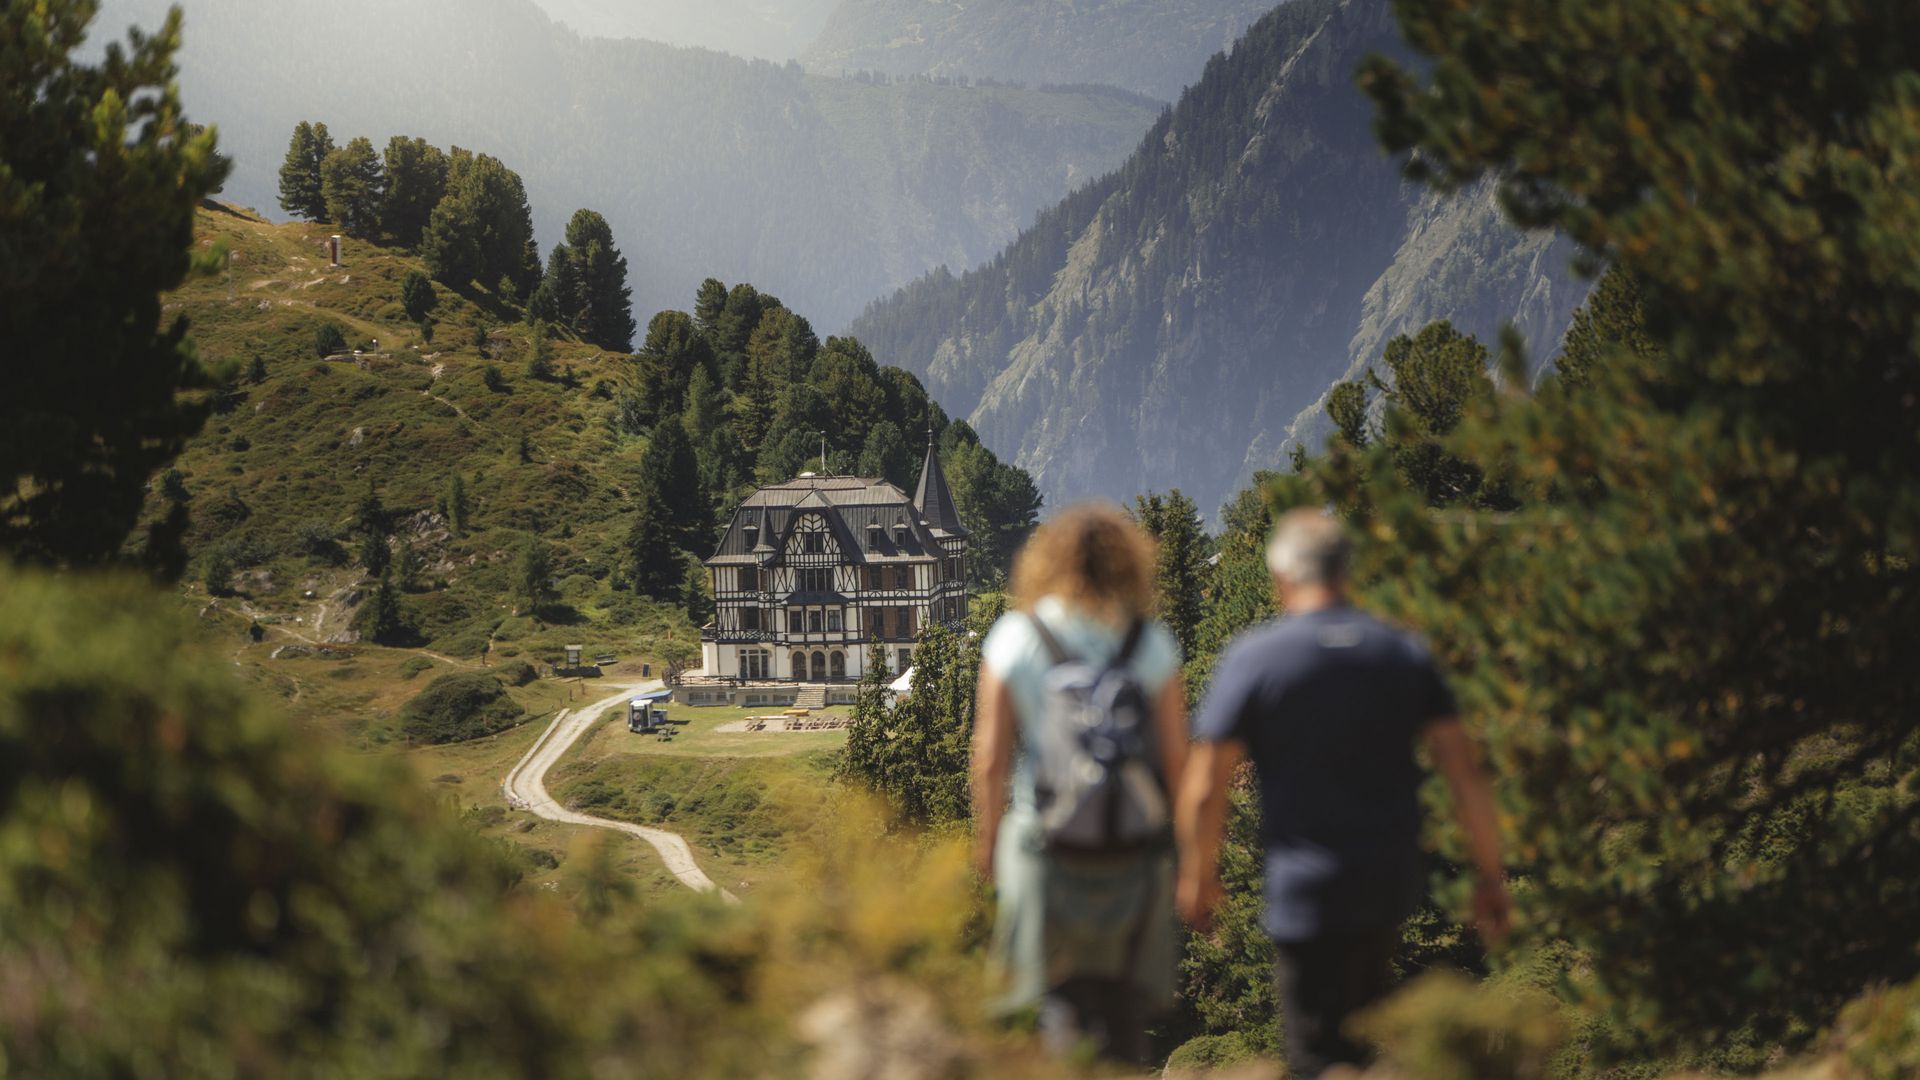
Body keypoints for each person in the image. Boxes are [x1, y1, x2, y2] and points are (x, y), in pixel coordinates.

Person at [1175, 508, 1510, 1078]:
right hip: (1387, 885)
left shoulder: (1255, 658)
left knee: (1316, 1056)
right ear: (1346, 573)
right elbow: (1465, 775)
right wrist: (1490, 874)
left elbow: (1207, 786)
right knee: (1364, 1040)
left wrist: (1198, 876)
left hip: (1303, 890)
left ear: (1281, 579)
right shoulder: (1401, 652)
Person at [970, 503, 1190, 1063]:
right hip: (1134, 852)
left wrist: (989, 844)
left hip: (1045, 848)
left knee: (1062, 999)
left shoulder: (1017, 636)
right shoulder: (1151, 642)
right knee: (1124, 1007)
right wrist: (1186, 854)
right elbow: (1178, 760)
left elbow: (991, 758)